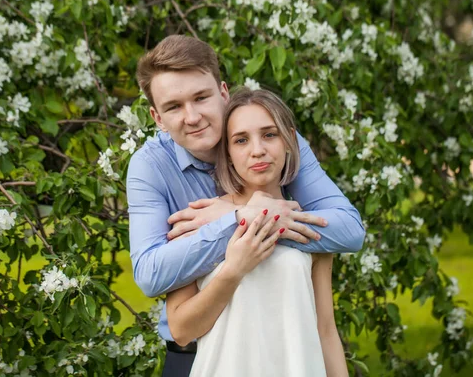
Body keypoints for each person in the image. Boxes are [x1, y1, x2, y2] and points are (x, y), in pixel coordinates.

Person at [127, 35, 365, 376]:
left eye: (201, 97)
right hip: (199, 354)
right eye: (174, 106)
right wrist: (240, 218)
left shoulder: (273, 142)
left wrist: (246, 217)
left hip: (290, 353)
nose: (192, 116)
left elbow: (348, 231)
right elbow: (151, 275)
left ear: (223, 93)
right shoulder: (150, 167)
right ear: (157, 117)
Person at [165, 88, 348, 377]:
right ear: (227, 152)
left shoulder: (305, 224)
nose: (257, 150)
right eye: (241, 140)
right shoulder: (200, 221)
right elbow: (181, 331)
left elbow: (325, 329)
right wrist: (234, 270)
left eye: (269, 135)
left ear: (289, 140)